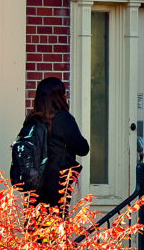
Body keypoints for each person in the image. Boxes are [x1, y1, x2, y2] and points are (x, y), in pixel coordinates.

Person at [10, 77, 89, 209]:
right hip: (56, 184)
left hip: (33, 183)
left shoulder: (32, 119)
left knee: (34, 222)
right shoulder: (63, 118)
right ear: (59, 97)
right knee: (55, 224)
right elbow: (83, 148)